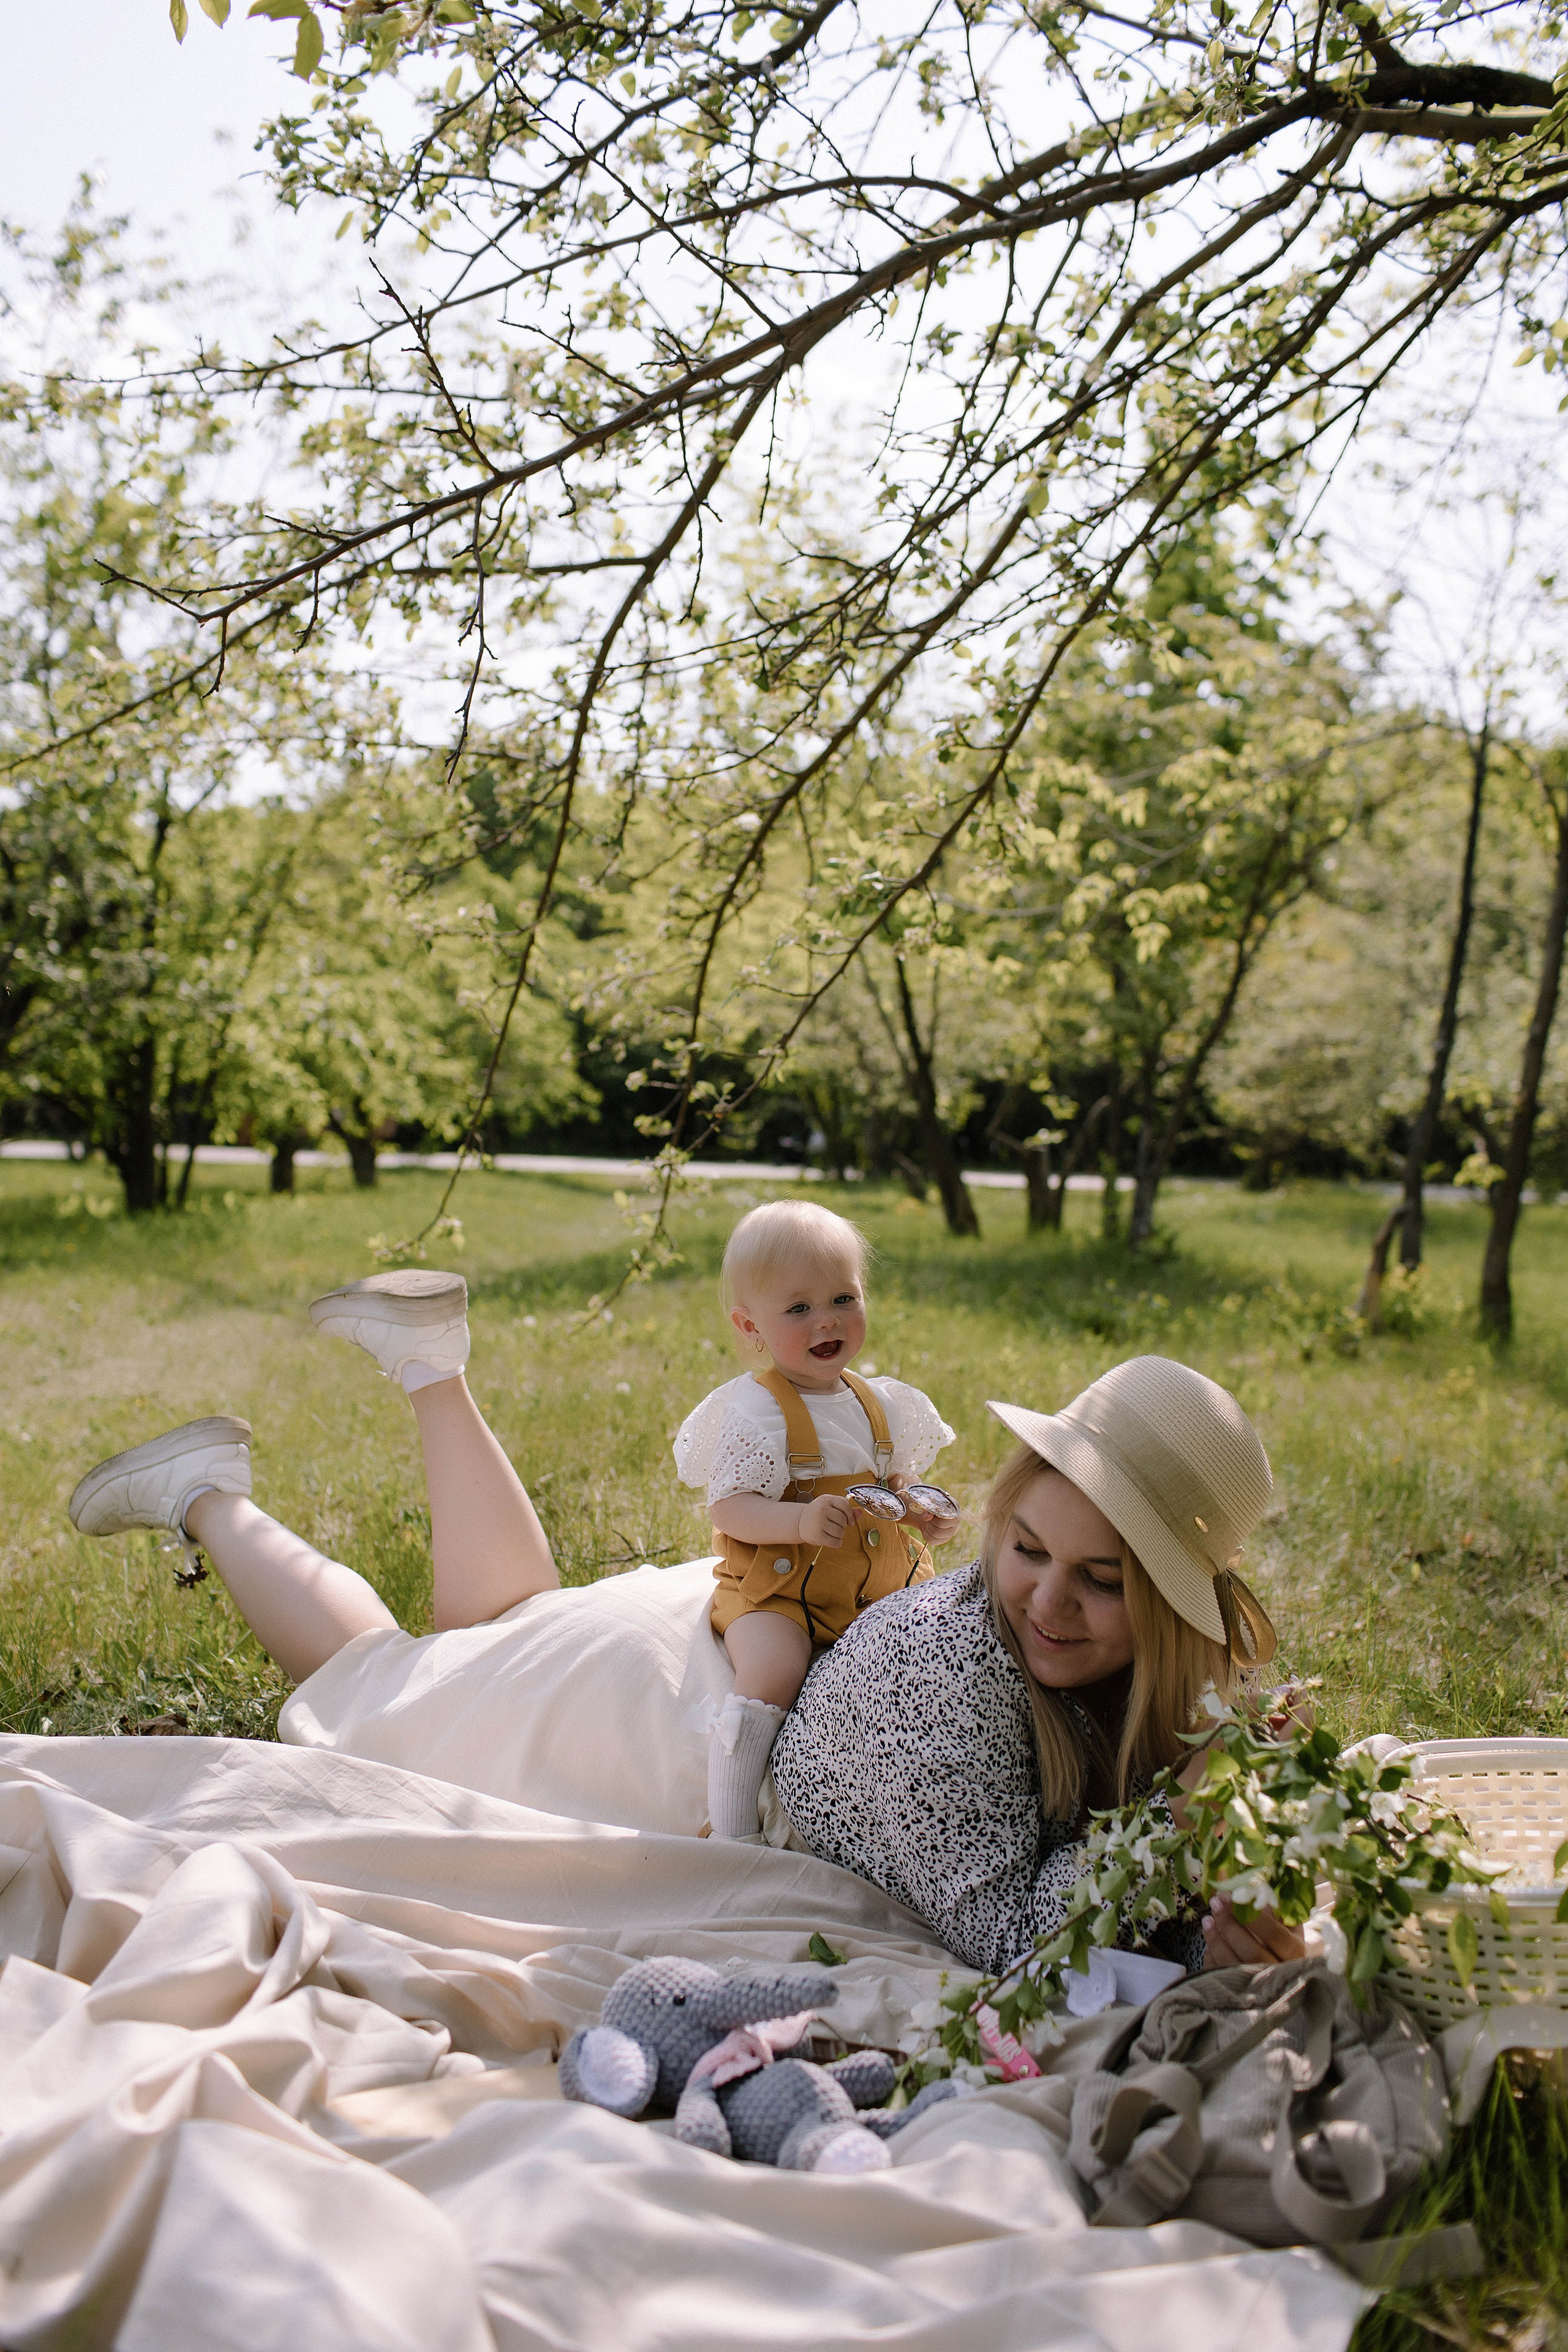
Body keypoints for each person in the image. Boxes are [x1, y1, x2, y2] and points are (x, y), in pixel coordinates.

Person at [67, 1278, 1303, 1978]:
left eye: (1101, 1584)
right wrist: (1187, 1819)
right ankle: (207, 1494)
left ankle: (430, 1367)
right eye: (1025, 1550)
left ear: (1173, 1611)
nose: (1044, 1598)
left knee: (495, 1628)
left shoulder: (1098, 1661)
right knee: (378, 1685)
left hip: (726, 1656)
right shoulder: (953, 1681)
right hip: (664, 1743)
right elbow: (1016, 1945)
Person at [672, 1201, 960, 1839]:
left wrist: (919, 1513)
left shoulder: (879, 1403)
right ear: (751, 1327)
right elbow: (730, 1508)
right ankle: (732, 1823)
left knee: (941, 1648)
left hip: (875, 1590)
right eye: (798, 1309)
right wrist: (798, 1523)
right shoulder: (755, 1411)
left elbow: (894, 1483)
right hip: (780, 1594)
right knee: (775, 1668)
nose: (826, 1320)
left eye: (842, 1298)